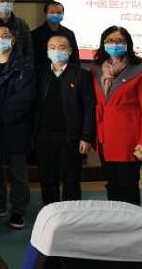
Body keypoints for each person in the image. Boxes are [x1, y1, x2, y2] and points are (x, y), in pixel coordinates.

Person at [0, 26, 34, 230]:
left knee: (17, 171)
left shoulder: (24, 65)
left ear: (13, 39)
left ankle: (19, 210)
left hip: (14, 125)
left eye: (4, 36)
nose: (0, 39)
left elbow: (23, 98)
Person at [90, 26, 142, 205]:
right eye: (110, 41)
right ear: (103, 44)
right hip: (105, 139)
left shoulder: (140, 72)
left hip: (129, 141)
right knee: (112, 185)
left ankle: (132, 221)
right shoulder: (96, 70)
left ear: (128, 44)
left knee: (128, 186)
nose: (115, 44)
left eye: (120, 41)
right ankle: (115, 218)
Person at [34, 35, 95, 205]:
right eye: (52, 47)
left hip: (71, 137)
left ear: (69, 51)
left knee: (71, 180)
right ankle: (50, 212)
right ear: (47, 51)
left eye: (61, 47)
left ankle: (71, 214)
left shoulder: (81, 75)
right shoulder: (40, 73)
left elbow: (89, 108)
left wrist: (86, 137)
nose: (56, 51)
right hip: (44, 135)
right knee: (47, 180)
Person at [31, 1, 80, 68]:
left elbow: (75, 59)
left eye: (59, 13)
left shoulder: (69, 34)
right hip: (42, 72)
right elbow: (32, 60)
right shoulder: (35, 34)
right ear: (46, 13)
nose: (56, 15)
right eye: (52, 12)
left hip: (66, 72)